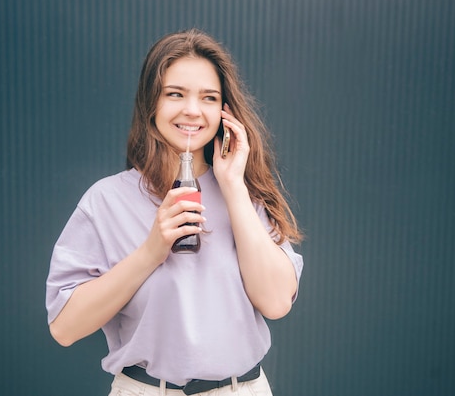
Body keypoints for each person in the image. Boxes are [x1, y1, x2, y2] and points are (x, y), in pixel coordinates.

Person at [46, 28, 304, 396]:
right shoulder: (105, 201)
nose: (193, 110)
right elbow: (64, 328)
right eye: (175, 94)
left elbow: (277, 302)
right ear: (151, 104)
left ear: (224, 111)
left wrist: (232, 187)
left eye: (209, 97)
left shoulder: (247, 196)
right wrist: (151, 251)